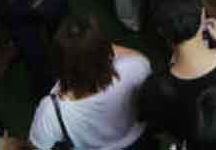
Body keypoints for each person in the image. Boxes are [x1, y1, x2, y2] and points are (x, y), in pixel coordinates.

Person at [27, 14, 151, 150]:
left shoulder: (50, 112)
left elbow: (36, 147)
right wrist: (93, 44)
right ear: (106, 48)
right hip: (139, 141)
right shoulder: (136, 65)